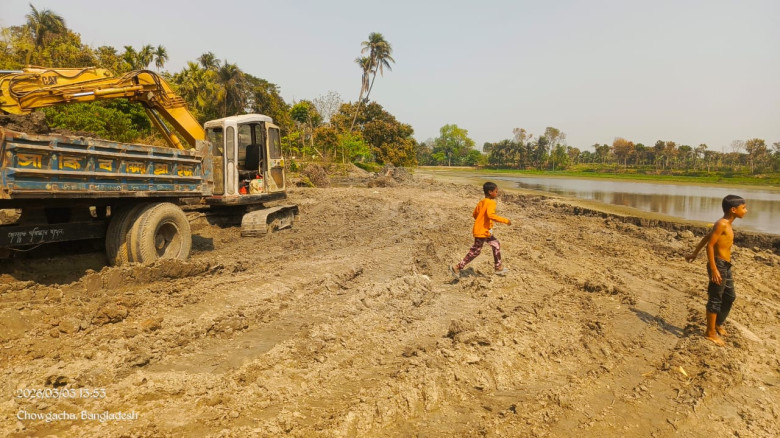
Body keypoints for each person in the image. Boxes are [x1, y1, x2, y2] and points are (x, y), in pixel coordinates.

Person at [685, 194, 748, 347]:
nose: (746, 210)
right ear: (733, 210)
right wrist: (714, 269)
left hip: (726, 265)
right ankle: (710, 332)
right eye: (743, 208)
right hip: (718, 265)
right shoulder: (722, 224)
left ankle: (718, 323)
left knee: (730, 296)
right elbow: (710, 245)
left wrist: (694, 253)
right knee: (715, 298)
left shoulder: (727, 224)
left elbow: (707, 238)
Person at [450, 182, 512, 279]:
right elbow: (491, 215)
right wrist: (506, 221)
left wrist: (482, 222)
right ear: (490, 192)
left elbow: (475, 214)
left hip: (484, 230)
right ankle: (457, 267)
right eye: (496, 191)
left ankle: (498, 267)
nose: (497, 193)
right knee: (476, 251)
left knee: (496, 244)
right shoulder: (491, 202)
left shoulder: (482, 202)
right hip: (482, 231)